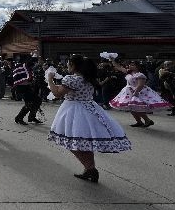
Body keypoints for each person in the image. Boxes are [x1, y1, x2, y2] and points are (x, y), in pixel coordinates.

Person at [47, 55, 132, 183]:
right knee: (83, 142)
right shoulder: (88, 79)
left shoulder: (72, 79)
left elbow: (57, 93)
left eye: (69, 63)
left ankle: (90, 168)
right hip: (90, 109)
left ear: (75, 66)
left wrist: (49, 79)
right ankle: (89, 169)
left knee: (73, 142)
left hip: (74, 110)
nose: (67, 66)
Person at [109, 61, 169, 127]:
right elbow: (119, 67)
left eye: (132, 65)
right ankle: (139, 121)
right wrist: (112, 60)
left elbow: (140, 85)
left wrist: (135, 93)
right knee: (131, 108)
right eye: (130, 65)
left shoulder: (140, 75)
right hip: (129, 92)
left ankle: (147, 120)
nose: (130, 66)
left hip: (138, 92)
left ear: (137, 67)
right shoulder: (129, 72)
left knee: (137, 108)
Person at [12, 58, 42, 125]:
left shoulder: (30, 69)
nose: (36, 64)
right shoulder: (22, 68)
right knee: (29, 104)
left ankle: (32, 117)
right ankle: (19, 118)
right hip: (21, 88)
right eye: (35, 63)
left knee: (38, 100)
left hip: (27, 87)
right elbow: (17, 77)